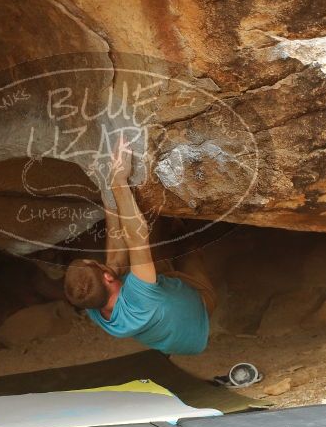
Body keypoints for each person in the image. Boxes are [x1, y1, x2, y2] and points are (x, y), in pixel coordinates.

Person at [63, 137, 216, 355]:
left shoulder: (93, 302)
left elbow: (115, 255)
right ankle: (181, 231)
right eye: (94, 263)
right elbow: (137, 237)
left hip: (171, 328)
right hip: (200, 309)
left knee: (140, 257)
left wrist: (108, 191)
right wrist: (119, 183)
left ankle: (170, 230)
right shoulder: (139, 297)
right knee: (185, 249)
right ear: (106, 278)